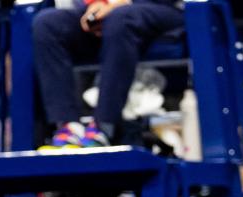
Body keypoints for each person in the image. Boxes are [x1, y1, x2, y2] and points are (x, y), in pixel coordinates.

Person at [32, 0, 185, 147]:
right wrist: (95, 4)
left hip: (162, 9)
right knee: (47, 23)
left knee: (120, 17)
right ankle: (68, 128)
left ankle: (103, 127)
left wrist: (123, 3)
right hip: (110, 17)